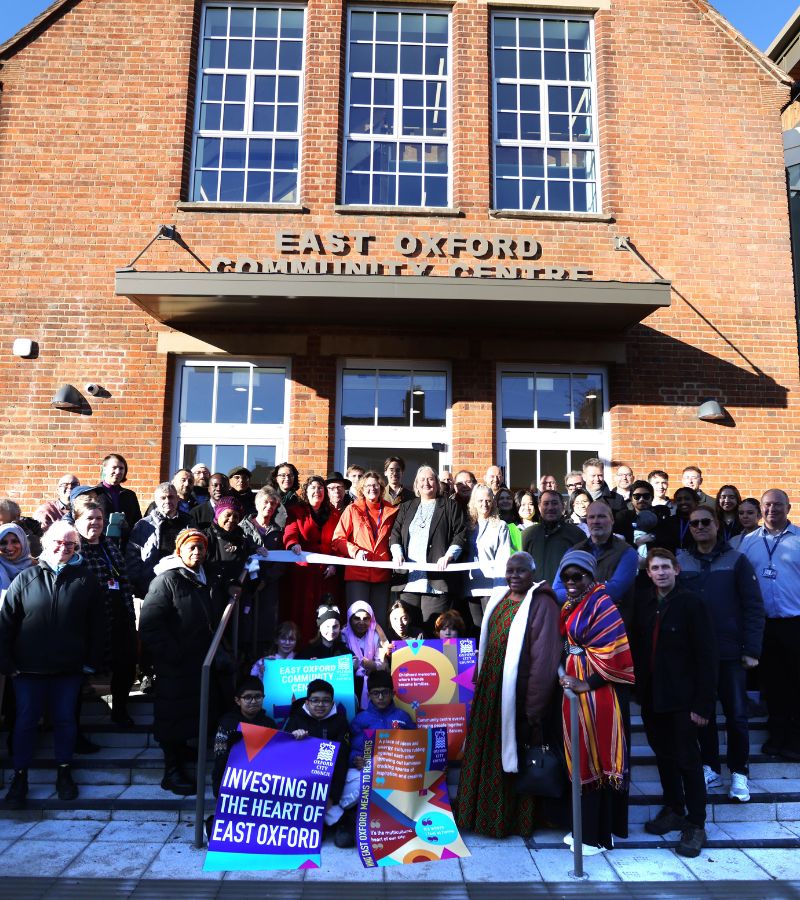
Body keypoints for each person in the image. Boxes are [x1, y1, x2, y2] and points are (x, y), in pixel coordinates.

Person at [0, 521, 107, 808]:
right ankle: (19, 777)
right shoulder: (27, 577)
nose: (63, 548)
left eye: (70, 544)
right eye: (59, 542)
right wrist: (6, 662)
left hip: (67, 670)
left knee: (64, 721)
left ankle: (64, 774)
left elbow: (97, 624)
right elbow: (6, 623)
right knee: (24, 723)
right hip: (27, 670)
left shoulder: (85, 580)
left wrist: (91, 661)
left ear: (76, 547)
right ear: (46, 543)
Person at [457, 552, 561, 838]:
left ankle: (508, 822)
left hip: (517, 696)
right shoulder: (501, 598)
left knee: (512, 759)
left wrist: (534, 707)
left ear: (533, 573)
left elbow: (544, 659)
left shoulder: (542, 603)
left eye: (521, 571)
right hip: (490, 693)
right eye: (510, 570)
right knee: (487, 756)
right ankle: (479, 817)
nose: (514, 576)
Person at [633, 549, 718, 859]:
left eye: (666, 567)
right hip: (653, 697)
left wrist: (703, 705)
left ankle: (696, 823)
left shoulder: (692, 603)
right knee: (664, 756)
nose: (661, 572)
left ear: (677, 570)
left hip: (684, 699)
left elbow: (707, 657)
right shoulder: (644, 604)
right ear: (649, 573)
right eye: (655, 568)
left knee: (687, 760)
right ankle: (674, 808)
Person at [677, 505, 764, 802]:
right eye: (694, 523)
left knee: (737, 716)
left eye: (705, 522)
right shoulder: (681, 561)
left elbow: (753, 607)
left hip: (730, 652)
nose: (700, 527)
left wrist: (752, 649)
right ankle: (710, 768)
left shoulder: (737, 560)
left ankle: (739, 773)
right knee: (703, 716)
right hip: (695, 655)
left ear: (716, 525)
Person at [557, 550, 635, 853]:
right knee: (582, 753)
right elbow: (569, 643)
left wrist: (585, 683)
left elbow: (617, 653)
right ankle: (588, 831)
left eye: (578, 576)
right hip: (576, 688)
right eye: (566, 576)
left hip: (597, 693)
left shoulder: (602, 604)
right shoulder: (574, 603)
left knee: (596, 756)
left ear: (592, 577)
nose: (571, 581)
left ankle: (597, 836)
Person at [139, 528, 215, 795]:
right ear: (179, 550)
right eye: (191, 547)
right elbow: (149, 626)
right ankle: (171, 771)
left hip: (196, 661)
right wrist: (173, 654)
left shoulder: (201, 579)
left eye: (201, 548)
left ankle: (182, 752)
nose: (196, 552)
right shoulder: (166, 580)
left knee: (186, 713)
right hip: (174, 663)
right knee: (171, 715)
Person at [739, 489, 800, 761]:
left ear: (788, 507)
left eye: (777, 505)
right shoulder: (749, 543)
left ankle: (795, 741)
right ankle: (776, 737)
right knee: (773, 685)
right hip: (763, 625)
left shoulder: (799, 539)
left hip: (795, 623)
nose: (771, 509)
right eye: (767, 505)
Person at [73, 498, 138, 727]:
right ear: (77, 520)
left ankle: (119, 711)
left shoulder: (109, 545)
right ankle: (75, 730)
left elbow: (123, 580)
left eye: (99, 518)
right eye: (89, 518)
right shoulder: (74, 549)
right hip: (88, 626)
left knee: (126, 666)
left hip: (119, 619)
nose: (95, 523)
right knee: (80, 679)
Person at [389, 466, 468, 636]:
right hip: (409, 581)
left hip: (437, 581)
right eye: (422, 480)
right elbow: (395, 533)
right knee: (408, 630)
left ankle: (434, 663)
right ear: (416, 485)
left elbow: (460, 534)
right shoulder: (406, 506)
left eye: (431, 479)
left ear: (437, 484)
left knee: (432, 630)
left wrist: (449, 555)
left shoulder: (449, 506)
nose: (426, 483)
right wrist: (397, 552)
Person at [284, 679, 353, 847]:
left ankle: (341, 819)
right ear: (307, 701)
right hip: (304, 783)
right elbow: (283, 755)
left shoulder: (340, 721)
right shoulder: (296, 718)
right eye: (315, 700)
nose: (320, 705)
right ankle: (326, 820)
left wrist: (331, 797)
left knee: (360, 777)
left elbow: (341, 761)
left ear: (332, 702)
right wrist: (293, 738)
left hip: (330, 779)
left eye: (326, 700)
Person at [552, 500, 638, 629]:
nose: (596, 521)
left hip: (611, 632)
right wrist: (601, 588)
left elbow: (615, 592)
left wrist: (574, 592)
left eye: (601, 516)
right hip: (576, 631)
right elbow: (556, 591)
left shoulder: (627, 553)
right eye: (591, 517)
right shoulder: (573, 551)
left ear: (612, 520)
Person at [331, 470, 399, 630]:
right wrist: (355, 552)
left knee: (379, 621)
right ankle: (355, 655)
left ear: (381, 488)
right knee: (357, 621)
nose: (372, 488)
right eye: (368, 485)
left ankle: (378, 654)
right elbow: (337, 539)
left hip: (382, 574)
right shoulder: (352, 509)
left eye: (375, 485)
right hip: (357, 573)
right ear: (362, 489)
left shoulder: (393, 511)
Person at [284, 475, 342, 642]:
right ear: (306, 491)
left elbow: (339, 541)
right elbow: (290, 532)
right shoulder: (296, 512)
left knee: (327, 612)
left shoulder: (335, 514)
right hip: (304, 573)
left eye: (320, 488)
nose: (317, 491)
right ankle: (303, 648)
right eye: (313, 488)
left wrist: (334, 565)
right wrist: (292, 544)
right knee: (305, 611)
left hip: (327, 573)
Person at [212, 675, 277, 797]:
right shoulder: (227, 723)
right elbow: (220, 758)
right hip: (232, 784)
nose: (253, 701)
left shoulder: (270, 724)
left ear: (263, 698)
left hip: (262, 785)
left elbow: (276, 757)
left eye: (258, 697)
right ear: (237, 700)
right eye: (247, 697)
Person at [239, 485, 286, 652]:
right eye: (266, 502)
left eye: (273, 504)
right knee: (245, 623)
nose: (269, 507)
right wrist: (252, 549)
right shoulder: (242, 527)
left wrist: (267, 580)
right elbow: (238, 551)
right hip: (245, 584)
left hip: (268, 586)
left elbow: (282, 562)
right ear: (257, 503)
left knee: (266, 624)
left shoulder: (278, 532)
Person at [126, 483, 191, 598]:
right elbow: (132, 555)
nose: (167, 501)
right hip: (150, 585)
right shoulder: (143, 525)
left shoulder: (188, 522)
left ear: (177, 499)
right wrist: (136, 583)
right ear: (156, 500)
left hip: (182, 585)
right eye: (163, 498)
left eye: (171, 497)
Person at [202, 496, 257, 625]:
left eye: (236, 516)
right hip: (210, 599)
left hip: (235, 599)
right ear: (218, 513)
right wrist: (227, 585)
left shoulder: (242, 540)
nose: (231, 520)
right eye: (227, 515)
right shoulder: (205, 537)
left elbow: (248, 565)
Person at [466, 484, 512, 628]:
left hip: (490, 588)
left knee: (491, 629)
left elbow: (504, 558)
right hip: (469, 587)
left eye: (488, 500)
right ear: (473, 502)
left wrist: (500, 589)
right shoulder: (466, 526)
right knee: (473, 630)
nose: (484, 504)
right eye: (480, 501)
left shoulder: (500, 526)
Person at [522, 490, 585, 585]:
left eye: (554, 503)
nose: (550, 508)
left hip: (566, 596)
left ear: (563, 506)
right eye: (546, 504)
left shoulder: (577, 534)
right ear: (539, 507)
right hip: (535, 595)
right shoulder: (528, 534)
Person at [342, 600, 385, 708]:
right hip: (349, 681)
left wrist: (373, 665)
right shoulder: (342, 635)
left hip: (372, 680)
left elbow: (383, 664)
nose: (361, 622)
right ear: (350, 619)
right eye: (356, 618)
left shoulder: (375, 636)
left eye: (366, 619)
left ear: (371, 619)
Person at [93, 453, 142, 547]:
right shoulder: (95, 493)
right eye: (114, 467)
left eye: (121, 468)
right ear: (104, 469)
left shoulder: (130, 495)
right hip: (101, 545)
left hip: (126, 546)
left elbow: (137, 522)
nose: (118, 471)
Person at [654, 487, 700, 554]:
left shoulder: (702, 522)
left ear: (695, 501)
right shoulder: (668, 523)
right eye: (679, 499)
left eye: (687, 499)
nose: (683, 502)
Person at [0, 522, 35, 597]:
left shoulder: (37, 569)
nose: (9, 547)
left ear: (23, 542)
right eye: (3, 543)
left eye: (15, 541)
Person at [270, 461, 302, 528]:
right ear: (276, 478)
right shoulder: (268, 499)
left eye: (290, 475)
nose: (287, 478)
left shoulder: (300, 502)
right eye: (283, 475)